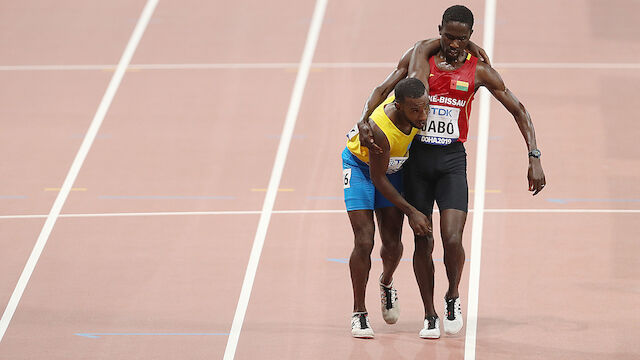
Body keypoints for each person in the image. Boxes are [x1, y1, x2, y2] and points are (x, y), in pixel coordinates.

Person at [358, 5, 547, 339]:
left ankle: (452, 295)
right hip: (417, 162)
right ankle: (430, 314)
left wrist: (534, 154)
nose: (454, 44)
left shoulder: (480, 71)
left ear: (470, 37)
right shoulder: (420, 59)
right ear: (439, 31)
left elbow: (519, 109)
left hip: (451, 162)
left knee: (453, 238)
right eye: (448, 36)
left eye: (462, 39)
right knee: (422, 240)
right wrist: (365, 119)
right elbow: (385, 87)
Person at [343, 78, 431, 338]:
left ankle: (386, 282)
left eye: (425, 107)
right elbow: (378, 179)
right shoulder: (381, 130)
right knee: (364, 240)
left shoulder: (416, 106)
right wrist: (411, 211)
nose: (422, 115)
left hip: (391, 168)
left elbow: (386, 81)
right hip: (361, 167)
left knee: (393, 244)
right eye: (415, 110)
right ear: (399, 106)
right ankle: (359, 312)